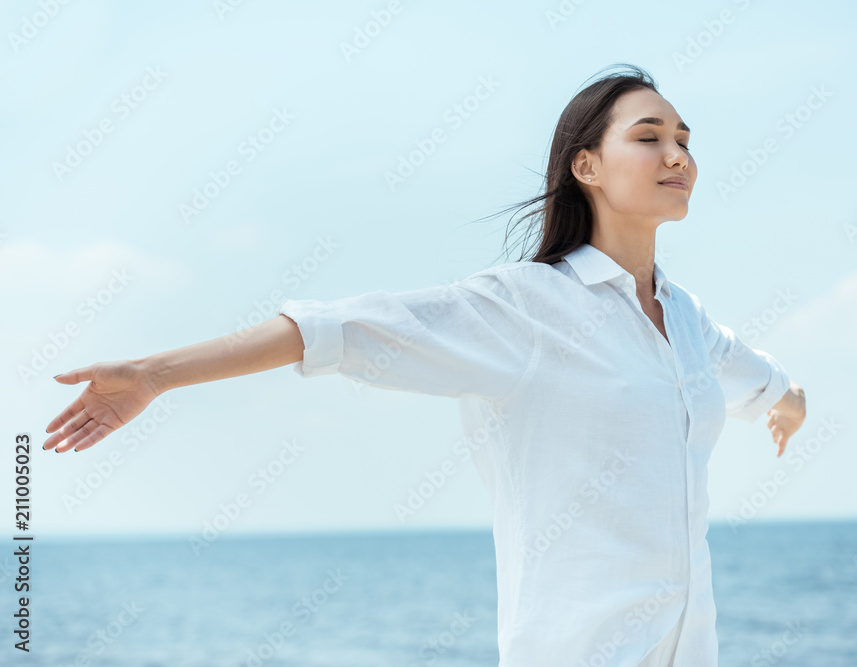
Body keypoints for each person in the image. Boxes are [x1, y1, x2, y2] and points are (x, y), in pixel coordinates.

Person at [43, 63, 806, 666]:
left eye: (684, 137)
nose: (677, 153)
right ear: (587, 165)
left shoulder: (687, 318)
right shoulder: (527, 307)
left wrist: (788, 401)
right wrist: (154, 373)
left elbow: (761, 379)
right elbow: (337, 328)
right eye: (649, 136)